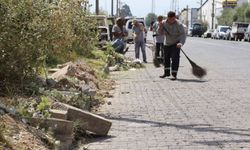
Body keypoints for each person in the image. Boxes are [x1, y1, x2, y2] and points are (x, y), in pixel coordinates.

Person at [157, 11, 186, 80]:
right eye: (170, 19)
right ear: (167, 17)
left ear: (175, 17)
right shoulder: (163, 23)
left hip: (176, 44)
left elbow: (183, 34)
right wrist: (160, 27)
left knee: (175, 59)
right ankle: (166, 73)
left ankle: (174, 74)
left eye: (173, 19)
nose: (171, 21)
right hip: (167, 43)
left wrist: (181, 43)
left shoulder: (179, 24)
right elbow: (160, 33)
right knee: (166, 59)